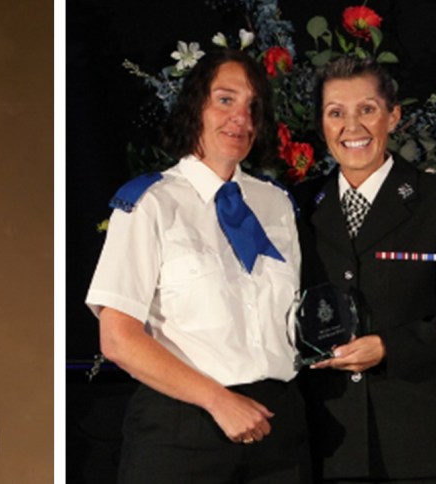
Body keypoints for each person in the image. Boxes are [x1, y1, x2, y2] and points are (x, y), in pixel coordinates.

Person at [86, 49, 309, 483]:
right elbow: (118, 339)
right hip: (183, 429)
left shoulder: (276, 205)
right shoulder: (150, 204)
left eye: (253, 107)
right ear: (195, 107)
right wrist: (217, 401)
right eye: (225, 100)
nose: (240, 118)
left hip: (277, 430)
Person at [293, 56, 436, 482]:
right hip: (331, 445)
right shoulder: (297, 207)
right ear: (321, 124)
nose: (353, 127)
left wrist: (389, 347)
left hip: (422, 447)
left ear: (393, 115)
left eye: (367, 109)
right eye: (336, 113)